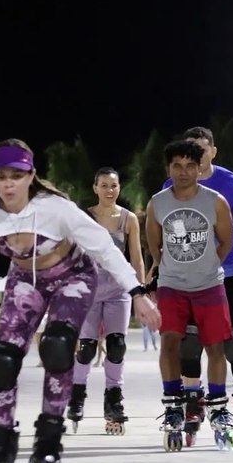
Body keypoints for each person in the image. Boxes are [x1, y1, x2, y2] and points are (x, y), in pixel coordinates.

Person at [0, 139, 160, 463]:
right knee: (2, 360)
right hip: (25, 281)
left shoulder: (56, 207)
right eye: (0, 176)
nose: (8, 184)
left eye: (17, 175)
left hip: (74, 277)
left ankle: (50, 433)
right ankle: (0, 442)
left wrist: (137, 293)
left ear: (31, 176)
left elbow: (102, 247)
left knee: (56, 347)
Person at [164, 126, 233, 444]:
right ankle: (194, 403)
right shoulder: (172, 184)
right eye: (190, 147)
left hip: (228, 272)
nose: (196, 153)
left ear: (212, 151)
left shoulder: (230, 182)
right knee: (189, 343)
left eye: (201, 148)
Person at [148, 139, 233, 450]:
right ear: (168, 168)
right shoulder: (157, 203)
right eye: (177, 166)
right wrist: (166, 268)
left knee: (215, 348)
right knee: (170, 340)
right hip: (172, 284)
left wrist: (208, 265)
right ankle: (174, 406)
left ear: (199, 169)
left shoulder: (215, 201)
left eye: (189, 166)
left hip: (209, 285)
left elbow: (226, 241)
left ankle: (218, 406)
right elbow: (154, 245)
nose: (183, 172)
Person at [67, 167, 146, 435]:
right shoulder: (84, 217)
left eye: (113, 186)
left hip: (118, 291)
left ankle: (114, 398)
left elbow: (136, 257)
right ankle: (77, 394)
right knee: (87, 348)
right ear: (95, 188)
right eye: (104, 185)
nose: (109, 190)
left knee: (117, 345)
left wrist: (140, 292)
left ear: (119, 188)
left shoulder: (129, 219)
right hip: (89, 290)